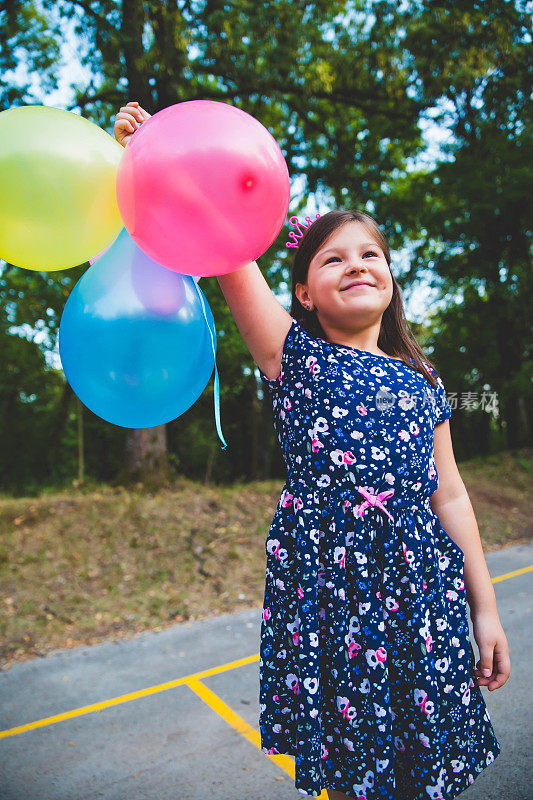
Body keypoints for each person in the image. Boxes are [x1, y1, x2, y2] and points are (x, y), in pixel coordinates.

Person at [114, 102, 511, 800]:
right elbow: (226, 245)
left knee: (422, 756)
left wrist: (485, 609)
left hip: (421, 590)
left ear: (390, 281)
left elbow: (449, 493)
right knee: (354, 760)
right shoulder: (291, 356)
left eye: (370, 255)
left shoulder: (424, 379)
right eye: (333, 258)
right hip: (331, 592)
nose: (356, 265)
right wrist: (160, 151)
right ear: (303, 291)